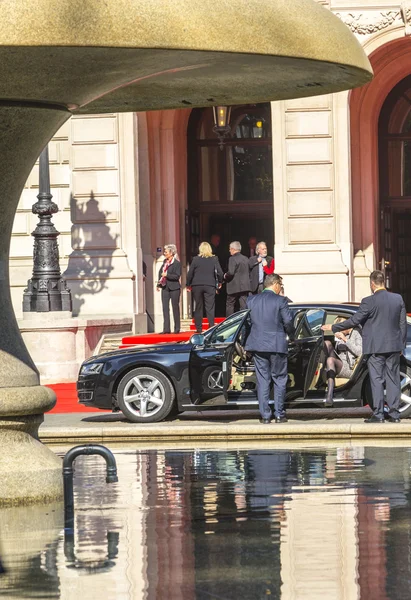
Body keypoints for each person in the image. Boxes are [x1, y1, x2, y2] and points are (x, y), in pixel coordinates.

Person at [321, 270, 407, 423]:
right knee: (393, 379)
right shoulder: (397, 299)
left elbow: (354, 320)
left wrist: (334, 327)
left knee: (377, 380)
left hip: (375, 348)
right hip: (394, 346)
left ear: (372, 284)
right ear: (383, 282)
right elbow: (402, 324)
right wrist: (401, 344)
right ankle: (395, 415)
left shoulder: (368, 301)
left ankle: (379, 415)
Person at [245, 273, 295, 424]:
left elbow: (245, 324)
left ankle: (265, 416)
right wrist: (291, 336)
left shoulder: (251, 300)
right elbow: (288, 322)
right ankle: (279, 414)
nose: (281, 288)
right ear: (275, 284)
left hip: (258, 345)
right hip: (277, 345)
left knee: (263, 380)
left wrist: (244, 344)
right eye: (281, 285)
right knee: (279, 379)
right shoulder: (281, 301)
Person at [322, 317, 363, 407]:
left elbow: (359, 352)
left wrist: (345, 339)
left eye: (340, 328)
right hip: (339, 361)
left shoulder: (356, 332)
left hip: (349, 366)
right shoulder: (341, 335)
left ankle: (329, 394)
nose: (339, 331)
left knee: (330, 360)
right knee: (327, 342)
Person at [186, 241, 224, 333]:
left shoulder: (195, 259)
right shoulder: (214, 259)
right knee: (210, 307)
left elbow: (190, 273)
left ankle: (199, 328)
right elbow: (220, 272)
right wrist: (220, 282)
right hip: (209, 285)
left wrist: (188, 284)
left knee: (198, 306)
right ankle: (211, 327)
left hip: (197, 285)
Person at [156, 244, 181, 334]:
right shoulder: (164, 262)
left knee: (175, 308)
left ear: (171, 253)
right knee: (165, 308)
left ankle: (177, 328)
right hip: (165, 287)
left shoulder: (177, 263)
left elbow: (177, 276)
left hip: (174, 288)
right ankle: (166, 329)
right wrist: (158, 284)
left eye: (166, 252)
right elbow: (160, 273)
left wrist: (167, 275)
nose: (164, 253)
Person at [224, 241, 251, 316]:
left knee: (230, 304)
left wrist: (225, 276)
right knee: (243, 305)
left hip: (233, 286)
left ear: (233, 249)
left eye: (230, 249)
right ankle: (244, 321)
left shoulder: (232, 259)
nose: (229, 250)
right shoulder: (245, 258)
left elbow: (231, 272)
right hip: (244, 286)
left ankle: (229, 323)